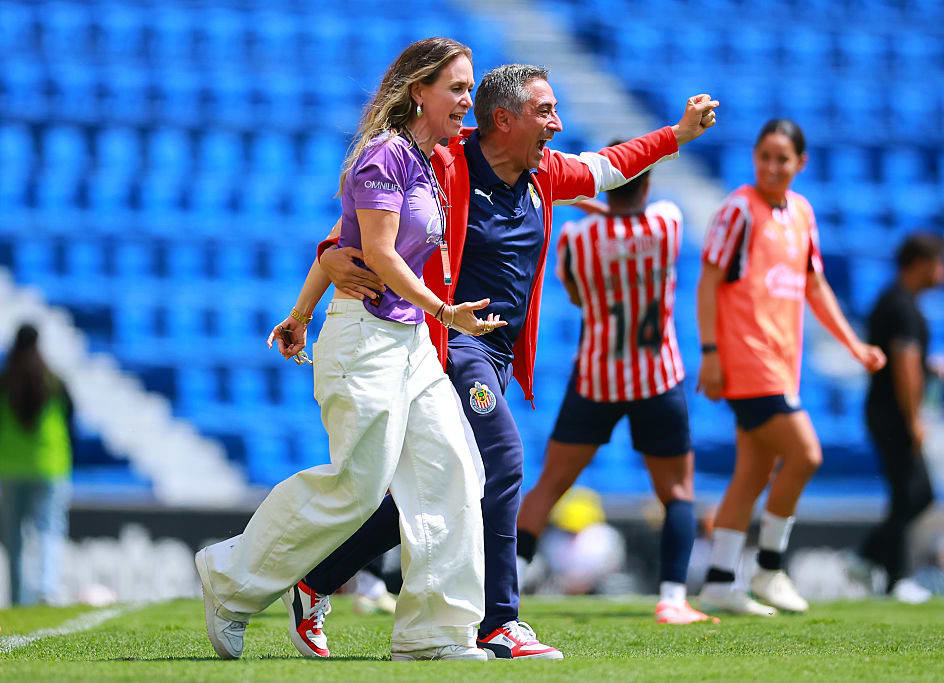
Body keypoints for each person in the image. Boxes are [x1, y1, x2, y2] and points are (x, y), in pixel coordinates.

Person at [270, 64, 720, 659]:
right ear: (503, 120)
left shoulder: (543, 173)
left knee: (439, 486)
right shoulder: (446, 162)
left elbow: (608, 167)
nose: (557, 125)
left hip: (498, 356)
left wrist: (678, 135)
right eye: (545, 112)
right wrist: (325, 264)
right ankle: (499, 622)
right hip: (451, 345)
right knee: (503, 460)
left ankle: (315, 581)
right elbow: (365, 218)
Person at [194, 37, 501, 663]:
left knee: (454, 474)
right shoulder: (385, 155)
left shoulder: (427, 159)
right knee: (358, 488)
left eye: (470, 89)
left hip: (409, 343)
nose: (467, 101)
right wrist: (444, 312)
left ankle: (435, 635)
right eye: (457, 88)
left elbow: (341, 244)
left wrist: (299, 313)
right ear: (419, 91)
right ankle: (230, 580)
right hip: (366, 340)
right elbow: (378, 253)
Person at [694, 119, 886, 616]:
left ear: (801, 163)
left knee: (752, 472)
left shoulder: (801, 212)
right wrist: (711, 353)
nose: (772, 167)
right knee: (806, 454)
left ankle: (719, 581)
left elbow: (814, 284)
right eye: (765, 156)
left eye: (782, 159)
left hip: (784, 361)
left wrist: (853, 344)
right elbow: (709, 281)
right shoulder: (739, 209)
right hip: (747, 358)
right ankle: (770, 567)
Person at [513, 162, 715, 625]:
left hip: (597, 374)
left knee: (550, 486)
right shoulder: (666, 222)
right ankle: (672, 598)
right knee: (677, 492)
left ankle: (512, 585)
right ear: (647, 183)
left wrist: (595, 206)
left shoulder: (577, 238)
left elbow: (577, 296)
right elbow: (642, 213)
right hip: (656, 376)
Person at [854, 232, 944, 603]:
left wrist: (929, 367)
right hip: (892, 413)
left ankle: (869, 558)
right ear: (921, 263)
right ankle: (895, 577)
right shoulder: (900, 306)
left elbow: (910, 361)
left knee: (914, 493)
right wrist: (913, 419)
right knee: (910, 492)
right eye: (939, 262)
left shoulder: (897, 302)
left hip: (885, 410)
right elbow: (904, 365)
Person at [0, 323, 73, 606]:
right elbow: (70, 421)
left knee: (13, 537)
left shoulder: (5, 381)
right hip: (50, 466)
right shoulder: (54, 381)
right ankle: (46, 590)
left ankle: (17, 595)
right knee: (48, 528)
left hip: (10, 468)